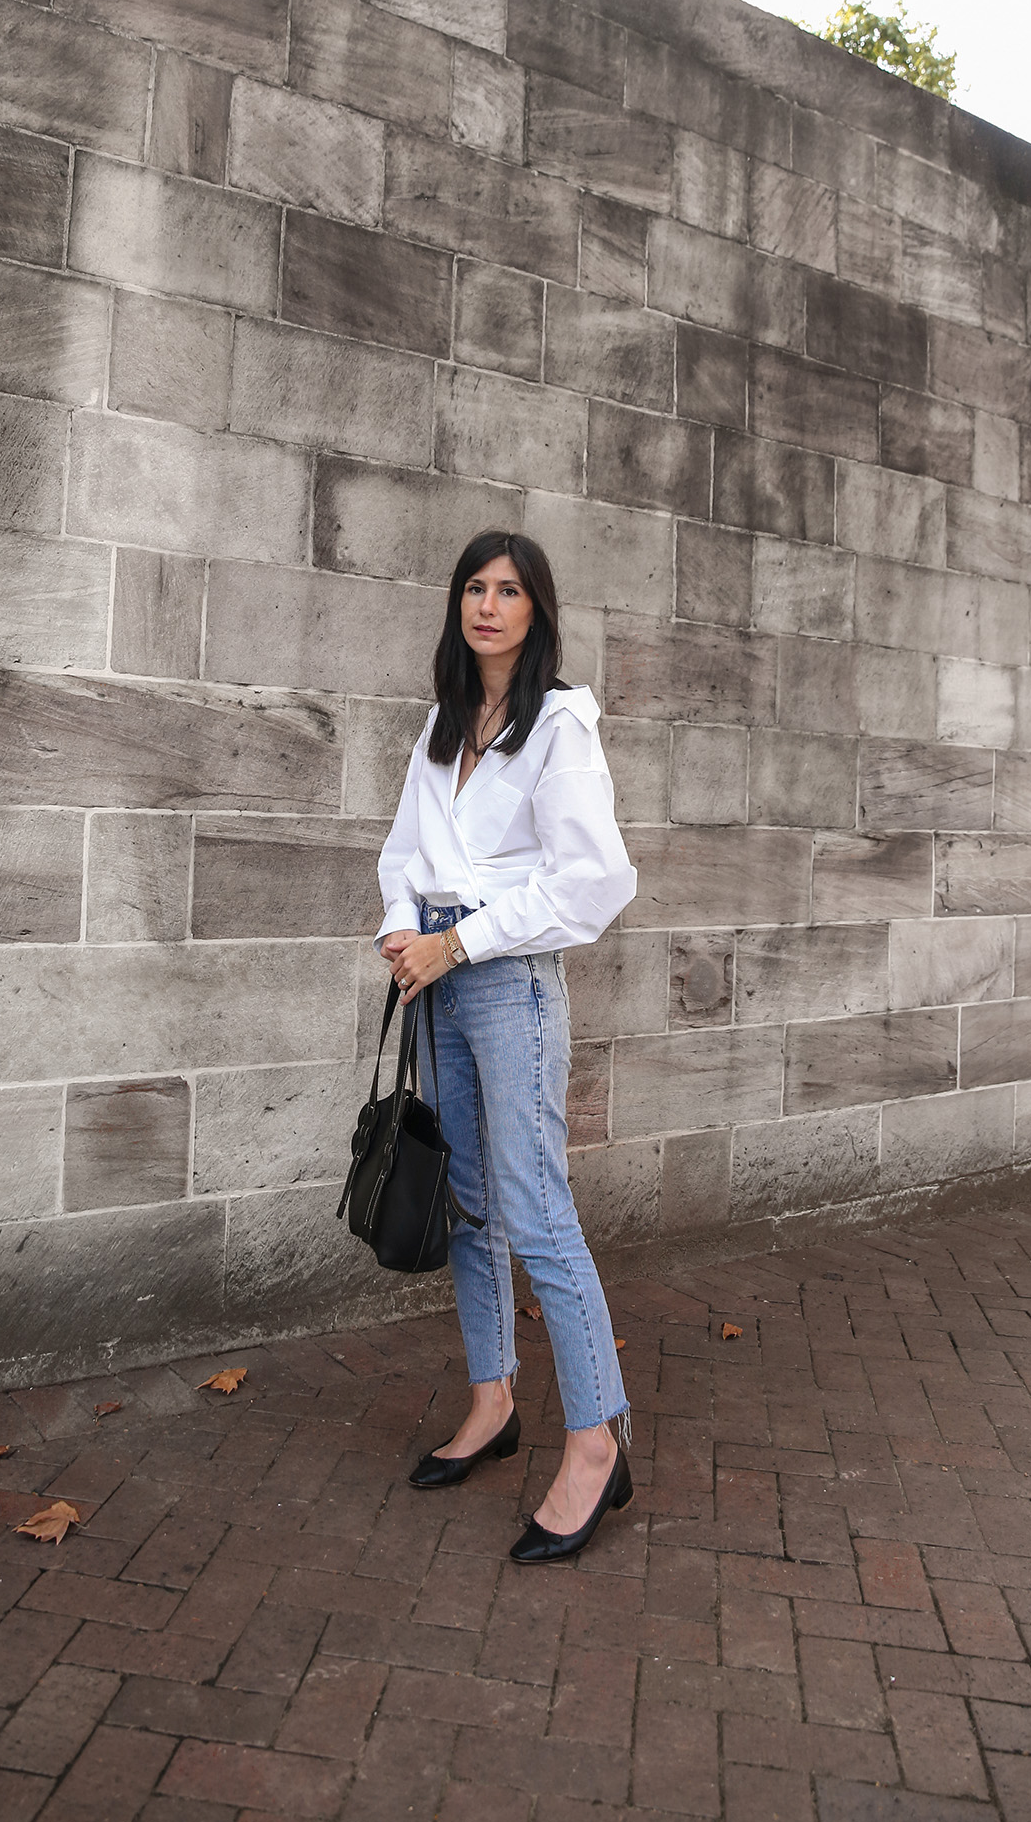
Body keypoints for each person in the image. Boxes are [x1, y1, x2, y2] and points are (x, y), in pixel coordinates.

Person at [375, 530, 638, 1564]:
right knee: (469, 1202)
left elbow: (594, 882)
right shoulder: (443, 721)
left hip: (505, 985)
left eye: (509, 589)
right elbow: (404, 850)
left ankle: (595, 1439)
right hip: (432, 973)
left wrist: (458, 940)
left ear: (537, 609)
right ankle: (493, 1403)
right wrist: (406, 926)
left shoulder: (560, 727)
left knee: (535, 1210)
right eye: (474, 588)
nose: (488, 604)